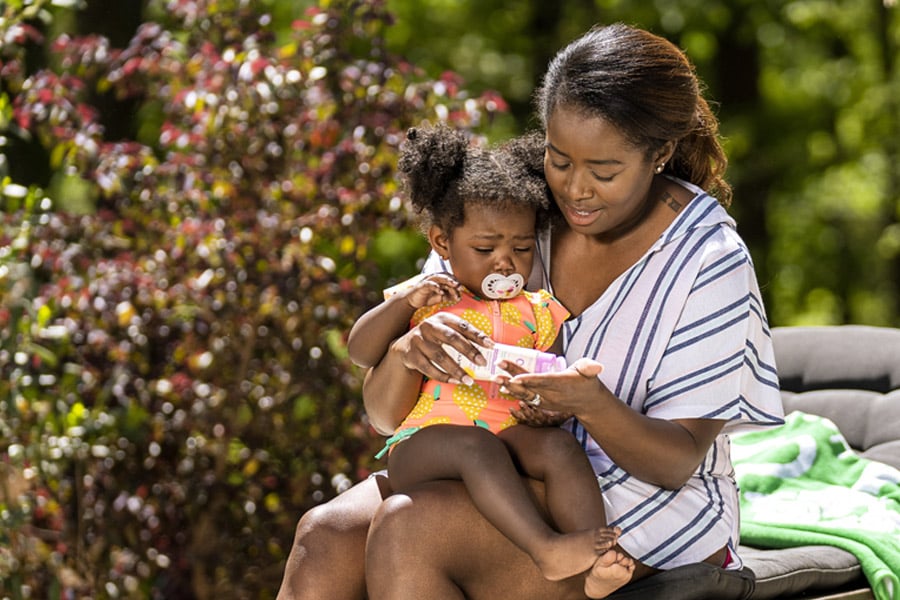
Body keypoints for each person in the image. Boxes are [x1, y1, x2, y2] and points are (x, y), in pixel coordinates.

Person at [277, 22, 784, 600]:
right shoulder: (510, 213)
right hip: (491, 465)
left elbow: (675, 463)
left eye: (605, 171)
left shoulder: (709, 258)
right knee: (324, 534)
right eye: (559, 159)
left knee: (411, 528)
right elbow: (386, 418)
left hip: (640, 506)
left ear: (660, 153)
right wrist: (404, 352)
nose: (575, 191)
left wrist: (589, 405)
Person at [345, 123, 625, 586]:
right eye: (484, 248)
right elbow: (360, 350)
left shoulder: (537, 311)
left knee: (558, 447)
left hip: (507, 437)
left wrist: (544, 408)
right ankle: (545, 549)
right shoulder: (430, 296)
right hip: (427, 445)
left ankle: (594, 562)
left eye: (520, 248)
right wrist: (403, 304)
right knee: (475, 447)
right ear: (441, 243)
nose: (505, 262)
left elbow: (548, 374)